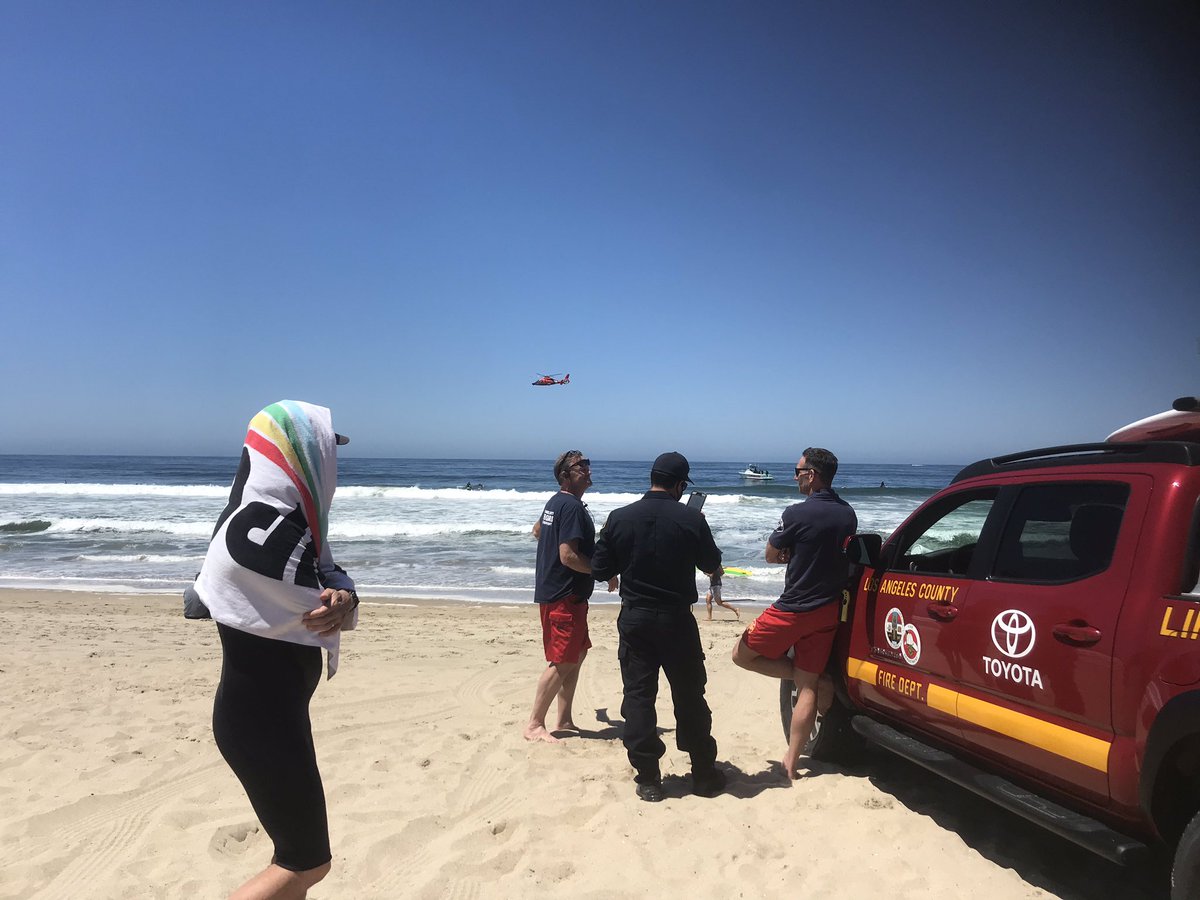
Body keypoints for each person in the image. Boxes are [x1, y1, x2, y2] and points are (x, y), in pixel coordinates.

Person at [195, 401, 360, 900]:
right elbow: (311, 598)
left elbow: (325, 576)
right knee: (305, 862)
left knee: (295, 859)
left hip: (268, 716)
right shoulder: (267, 536)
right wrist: (339, 601)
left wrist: (344, 596)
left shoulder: (261, 519)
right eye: (327, 449)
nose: (333, 462)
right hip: (262, 723)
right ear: (301, 455)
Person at [591, 452, 727, 802]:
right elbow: (711, 562)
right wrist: (695, 528)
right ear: (680, 485)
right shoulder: (690, 519)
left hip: (635, 617)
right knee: (689, 695)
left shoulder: (619, 517)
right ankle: (703, 774)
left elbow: (600, 567)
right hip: (676, 619)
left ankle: (649, 778)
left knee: (638, 696)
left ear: (652, 478)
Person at [731, 447, 857, 780]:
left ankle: (806, 677)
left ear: (812, 475)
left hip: (793, 608)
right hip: (827, 610)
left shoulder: (796, 513)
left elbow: (771, 555)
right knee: (807, 686)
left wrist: (790, 553)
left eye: (798, 471)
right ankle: (791, 761)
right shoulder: (848, 514)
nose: (795, 477)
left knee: (741, 655)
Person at [525, 450, 615, 743]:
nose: (588, 469)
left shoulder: (556, 502)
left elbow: (538, 531)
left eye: (588, 464)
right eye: (581, 466)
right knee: (563, 659)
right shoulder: (572, 507)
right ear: (565, 475)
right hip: (565, 595)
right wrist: (602, 571)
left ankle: (563, 718)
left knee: (577, 653)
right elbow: (568, 556)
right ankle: (535, 725)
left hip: (556, 591)